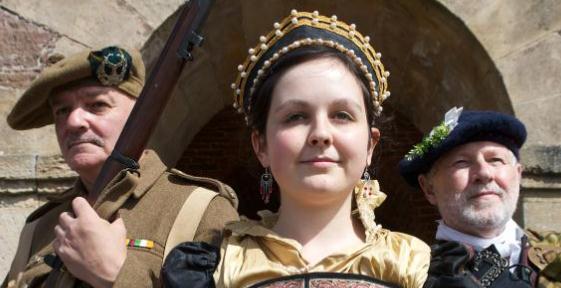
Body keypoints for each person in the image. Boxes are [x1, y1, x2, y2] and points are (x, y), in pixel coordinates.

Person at [163, 10, 430, 288]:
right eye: (296, 116)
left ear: (370, 145)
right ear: (261, 145)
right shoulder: (217, 268)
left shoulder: (414, 265)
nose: (321, 134)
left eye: (342, 115)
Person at [2, 46, 238, 288]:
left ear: (140, 114)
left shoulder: (200, 210)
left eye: (97, 105)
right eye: (62, 110)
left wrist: (116, 275)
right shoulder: (39, 228)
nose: (73, 122)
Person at [399, 107, 561, 287]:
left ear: (518, 175)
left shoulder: (556, 250)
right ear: (429, 188)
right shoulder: (412, 276)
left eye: (495, 160)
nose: (484, 173)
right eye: (462, 162)